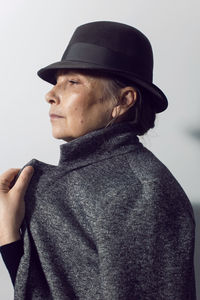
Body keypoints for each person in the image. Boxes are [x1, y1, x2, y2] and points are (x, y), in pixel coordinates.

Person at [0, 21, 196, 299]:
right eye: (56, 82)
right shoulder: (73, 187)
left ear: (123, 100)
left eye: (73, 82)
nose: (50, 95)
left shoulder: (141, 193)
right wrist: (8, 232)